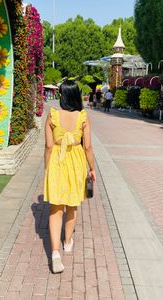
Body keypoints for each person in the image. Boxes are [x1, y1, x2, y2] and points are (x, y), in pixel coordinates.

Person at [44, 80, 96, 274]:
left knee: (55, 208)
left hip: (57, 160)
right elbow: (88, 147)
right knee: (72, 205)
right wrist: (92, 169)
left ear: (61, 96)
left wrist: (47, 168)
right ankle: (67, 243)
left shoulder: (52, 115)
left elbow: (48, 146)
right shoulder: (83, 116)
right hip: (76, 159)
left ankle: (55, 253)